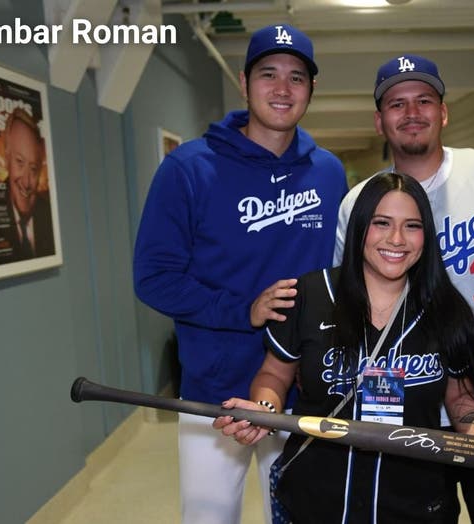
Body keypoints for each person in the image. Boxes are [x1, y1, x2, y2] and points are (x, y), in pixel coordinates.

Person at [215, 172, 474, 523]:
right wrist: (264, 409)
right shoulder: (310, 295)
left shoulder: (447, 310)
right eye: (382, 223)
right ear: (360, 227)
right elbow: (274, 374)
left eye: (412, 226)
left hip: (415, 502)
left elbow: (461, 398)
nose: (396, 239)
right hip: (315, 498)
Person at [335, 55, 474, 524]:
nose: (412, 112)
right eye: (397, 103)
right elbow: (348, 304)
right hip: (404, 417)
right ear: (380, 121)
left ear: (444, 111)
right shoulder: (357, 204)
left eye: (424, 99)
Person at [132, 23, 348, 524]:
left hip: (304, 392)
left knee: (303, 515)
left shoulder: (328, 172)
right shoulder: (189, 168)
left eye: (297, 77)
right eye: (268, 73)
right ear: (243, 81)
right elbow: (153, 276)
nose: (282, 88)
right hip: (215, 389)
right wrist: (242, 310)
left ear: (312, 89)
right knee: (210, 517)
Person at [0, 107, 55, 262]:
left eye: (33, 168)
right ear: (7, 158)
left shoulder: (49, 215)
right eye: (20, 162)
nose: (26, 181)